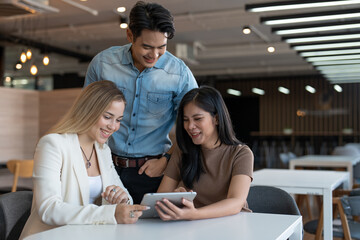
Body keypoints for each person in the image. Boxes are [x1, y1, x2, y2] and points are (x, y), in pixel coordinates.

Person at [84, 1, 198, 204]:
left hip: (151, 171)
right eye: (147, 46)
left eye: (161, 47)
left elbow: (192, 126)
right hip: (104, 165)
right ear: (130, 35)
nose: (154, 55)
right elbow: (86, 117)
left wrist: (167, 161)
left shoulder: (179, 73)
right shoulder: (103, 64)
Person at [20, 81, 149, 240]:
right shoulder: (53, 144)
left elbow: (125, 199)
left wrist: (122, 199)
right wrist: (110, 213)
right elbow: (49, 210)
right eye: (108, 117)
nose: (113, 126)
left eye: (118, 120)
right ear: (88, 111)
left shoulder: (103, 150)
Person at [156, 86, 254, 220]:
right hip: (192, 227)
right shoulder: (183, 149)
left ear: (217, 119)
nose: (190, 126)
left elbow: (236, 202)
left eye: (197, 119)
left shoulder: (241, 153)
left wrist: (195, 214)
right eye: (186, 120)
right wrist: (174, 197)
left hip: (231, 224)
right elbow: (161, 196)